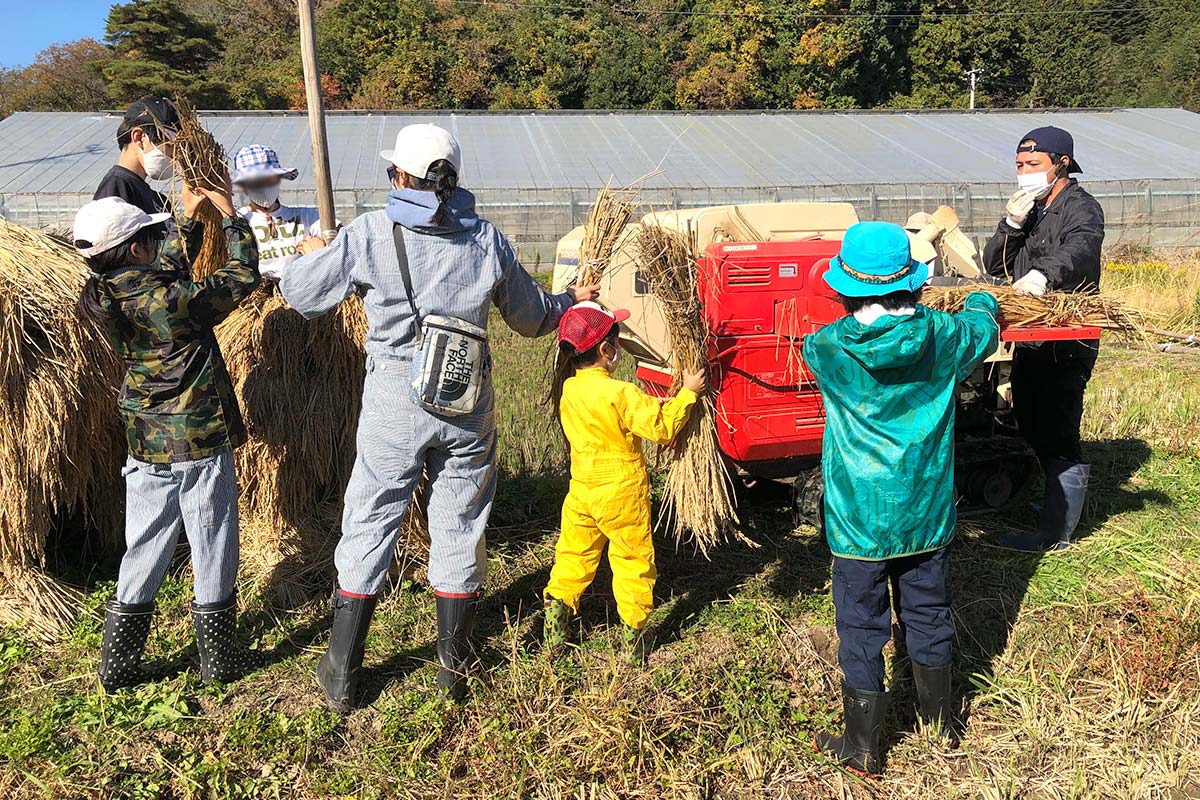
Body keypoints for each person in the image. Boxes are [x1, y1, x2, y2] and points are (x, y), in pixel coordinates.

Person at [280, 123, 598, 711]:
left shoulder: (371, 232)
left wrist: (315, 254)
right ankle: (454, 670)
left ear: (400, 176)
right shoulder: (486, 239)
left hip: (394, 402)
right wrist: (569, 300)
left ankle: (343, 673)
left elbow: (301, 295)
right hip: (466, 399)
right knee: (461, 521)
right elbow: (531, 319)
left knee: (372, 517)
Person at [803, 221, 999, 775]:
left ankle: (864, 746)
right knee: (928, 610)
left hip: (858, 516)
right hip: (925, 509)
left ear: (846, 289)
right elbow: (983, 328)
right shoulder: (942, 335)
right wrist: (982, 295)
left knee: (861, 625)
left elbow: (829, 343)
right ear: (912, 284)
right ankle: (941, 724)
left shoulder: (823, 348)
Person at [73, 181, 262, 692]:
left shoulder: (105, 294)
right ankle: (219, 660)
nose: (157, 246)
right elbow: (242, 275)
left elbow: (165, 272)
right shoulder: (173, 298)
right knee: (212, 538)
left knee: (147, 542)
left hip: (144, 438)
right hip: (196, 440)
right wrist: (232, 216)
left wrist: (189, 220)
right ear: (134, 249)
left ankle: (118, 665)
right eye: (148, 240)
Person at [542, 303, 705, 662]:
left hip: (582, 490)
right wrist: (688, 393)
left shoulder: (569, 390)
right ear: (605, 350)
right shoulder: (621, 392)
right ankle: (634, 643)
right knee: (633, 561)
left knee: (573, 556)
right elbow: (661, 429)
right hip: (622, 491)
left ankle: (554, 632)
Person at [983, 126, 1104, 552]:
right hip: (1031, 335)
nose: (1024, 172)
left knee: (1057, 425)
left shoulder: (1081, 208)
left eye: (1033, 164)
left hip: (1067, 335)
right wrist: (1011, 226)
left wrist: (1042, 274)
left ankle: (1057, 534)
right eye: (1019, 165)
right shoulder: (1032, 209)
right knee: (1030, 416)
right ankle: (1056, 503)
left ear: (1062, 163)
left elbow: (1081, 250)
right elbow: (996, 266)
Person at [231, 144, 327, 279]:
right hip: (258, 295)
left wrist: (319, 253)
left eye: (270, 179)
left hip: (301, 291)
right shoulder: (238, 222)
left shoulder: (308, 217)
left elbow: (338, 242)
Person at [94, 96, 180, 218]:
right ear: (139, 137)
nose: (175, 157)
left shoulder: (159, 200)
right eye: (171, 146)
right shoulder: (116, 189)